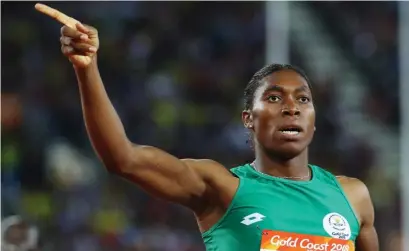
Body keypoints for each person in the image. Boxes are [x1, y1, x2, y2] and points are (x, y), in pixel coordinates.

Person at [35, 3, 379, 251]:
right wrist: (87, 68)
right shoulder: (221, 187)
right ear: (249, 119)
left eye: (303, 100)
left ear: (314, 120)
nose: (291, 107)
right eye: (274, 98)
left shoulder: (353, 197)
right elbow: (123, 158)